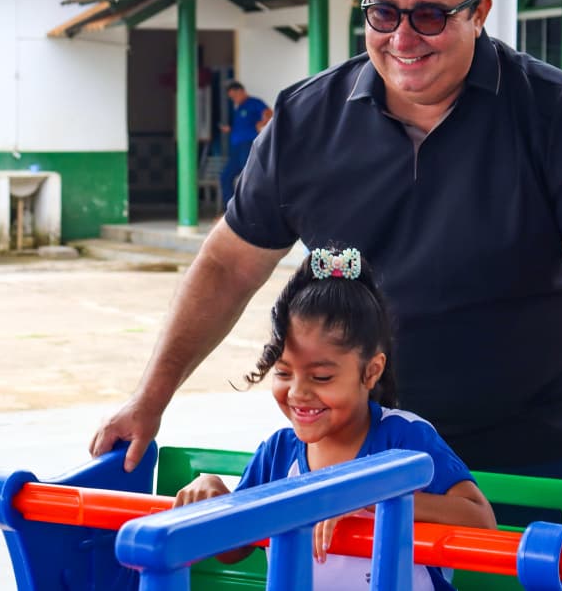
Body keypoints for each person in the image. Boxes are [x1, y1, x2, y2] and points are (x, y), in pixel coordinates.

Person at [91, 0, 562, 538]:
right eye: (382, 14)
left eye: (429, 16)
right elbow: (228, 267)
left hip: (529, 452)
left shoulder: (556, 117)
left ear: (478, 13)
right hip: (360, 449)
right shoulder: (305, 122)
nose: (402, 39)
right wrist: (149, 400)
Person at [172, 247, 495, 590]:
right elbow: (233, 550)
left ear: (371, 372)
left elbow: (480, 521)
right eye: (283, 373)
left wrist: (374, 498)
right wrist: (215, 494)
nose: (298, 392)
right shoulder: (278, 454)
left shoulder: (404, 438)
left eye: (321, 377)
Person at [218, 81, 273, 207]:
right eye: (231, 98)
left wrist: (262, 123)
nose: (234, 99)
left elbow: (269, 113)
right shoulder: (239, 108)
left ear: (241, 91)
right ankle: (230, 210)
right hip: (236, 148)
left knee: (248, 177)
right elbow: (242, 125)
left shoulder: (254, 102)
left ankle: (251, 208)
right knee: (225, 177)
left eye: (234, 96)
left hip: (247, 145)